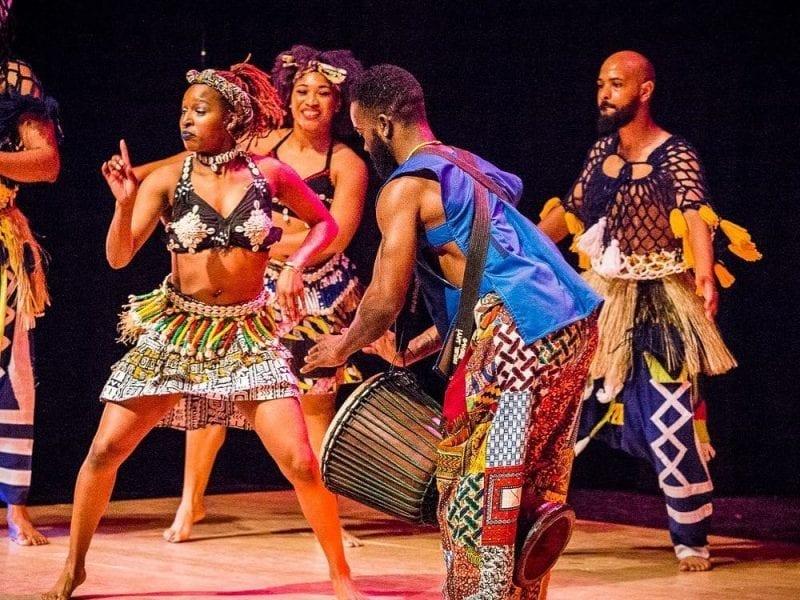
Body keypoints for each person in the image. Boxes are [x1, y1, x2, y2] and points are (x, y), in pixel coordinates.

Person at [43, 62, 365, 600]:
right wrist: (124, 207)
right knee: (104, 450)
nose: (186, 120)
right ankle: (73, 568)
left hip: (248, 334)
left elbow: (326, 223)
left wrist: (294, 264)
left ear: (232, 119)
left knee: (301, 462)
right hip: (179, 331)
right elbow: (118, 257)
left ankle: (340, 575)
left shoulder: (270, 175)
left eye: (199, 110)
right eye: (183, 111)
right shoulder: (169, 179)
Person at [303, 64, 602, 600]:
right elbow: (490, 269)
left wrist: (340, 347)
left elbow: (385, 298)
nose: (365, 144)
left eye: (365, 131)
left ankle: (476, 593)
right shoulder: (469, 167)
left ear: (385, 125)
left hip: (517, 336)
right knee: (531, 486)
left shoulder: (405, 187)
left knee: (471, 488)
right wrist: (420, 346)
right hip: (571, 324)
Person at [128, 47, 369, 545]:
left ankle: (326, 514)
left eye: (323, 93)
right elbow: (191, 159)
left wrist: (267, 246)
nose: (311, 101)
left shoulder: (346, 163)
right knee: (209, 391)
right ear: (287, 95)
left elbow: (337, 232)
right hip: (253, 288)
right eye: (302, 91)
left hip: (316, 293)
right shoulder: (262, 143)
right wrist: (137, 177)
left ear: (339, 103)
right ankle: (190, 502)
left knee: (314, 404)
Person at [538, 50, 761, 572]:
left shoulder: (675, 154)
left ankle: (690, 536)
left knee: (670, 420)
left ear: (645, 90)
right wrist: (519, 245)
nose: (604, 94)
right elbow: (570, 212)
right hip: (604, 299)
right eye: (601, 84)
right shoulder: (601, 152)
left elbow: (695, 214)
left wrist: (705, 274)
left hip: (663, 303)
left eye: (616, 84)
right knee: (566, 411)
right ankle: (529, 521)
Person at [0, 0, 61, 547]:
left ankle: (15, 505)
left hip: (1, 243)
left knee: (12, 372)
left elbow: (46, 162)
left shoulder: (14, 78)